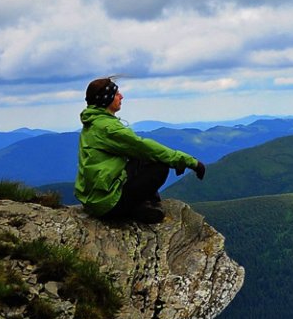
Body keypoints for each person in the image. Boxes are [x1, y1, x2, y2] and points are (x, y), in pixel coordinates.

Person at [74, 76, 205, 224]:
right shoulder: (107, 128)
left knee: (142, 158)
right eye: (117, 94)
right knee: (160, 167)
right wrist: (188, 161)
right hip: (106, 204)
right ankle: (135, 209)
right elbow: (144, 147)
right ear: (106, 99)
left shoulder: (93, 123)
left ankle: (143, 204)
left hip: (95, 199)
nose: (121, 96)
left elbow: (140, 152)